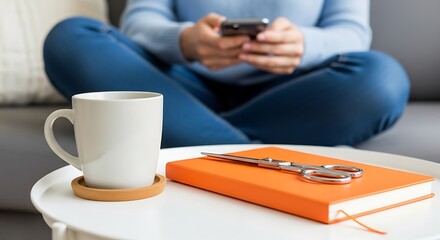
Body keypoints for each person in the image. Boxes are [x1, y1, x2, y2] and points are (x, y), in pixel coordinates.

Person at [43, 0, 409, 148]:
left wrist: (302, 45)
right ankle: (246, 163)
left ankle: (195, 144)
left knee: (383, 78)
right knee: (71, 37)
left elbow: (352, 33)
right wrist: (185, 40)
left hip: (295, 91)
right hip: (181, 84)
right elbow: (140, 21)